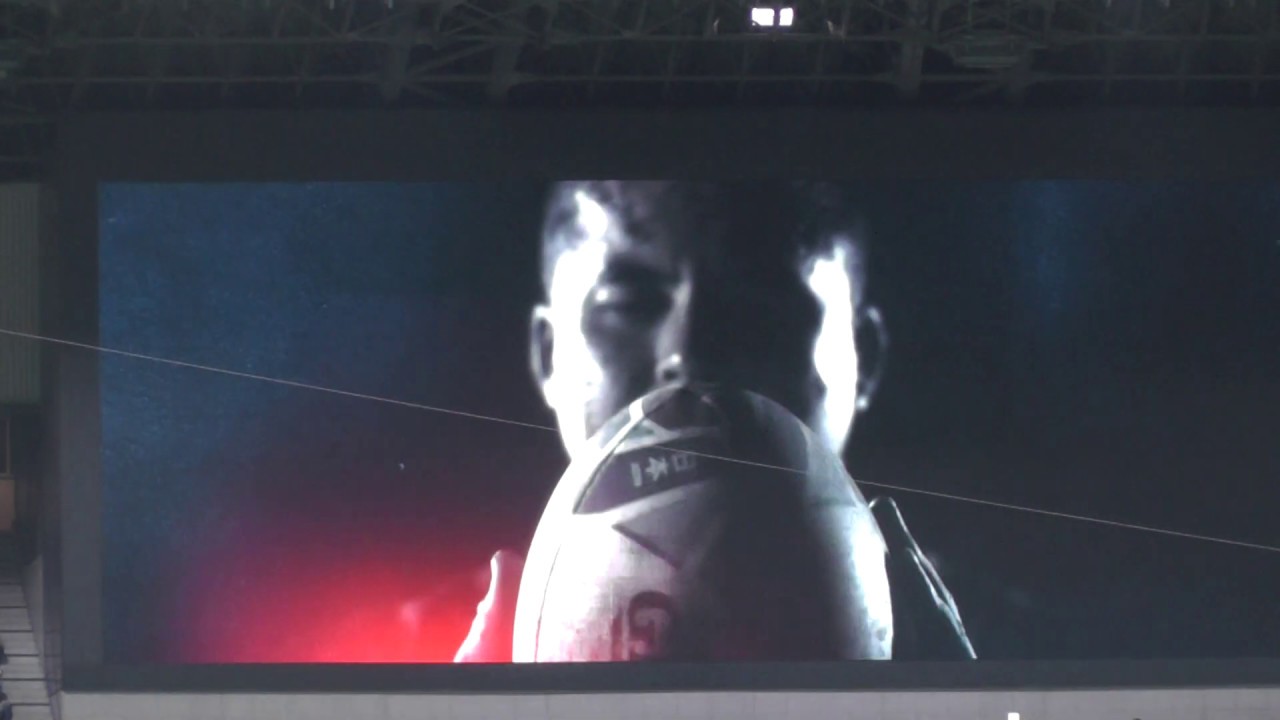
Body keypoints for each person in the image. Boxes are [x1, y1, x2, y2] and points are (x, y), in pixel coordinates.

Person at [455, 181, 975, 663]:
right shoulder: (421, 649)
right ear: (548, 354)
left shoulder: (1005, 648)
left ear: (864, 357)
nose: (689, 352)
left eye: (760, 306)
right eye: (631, 304)